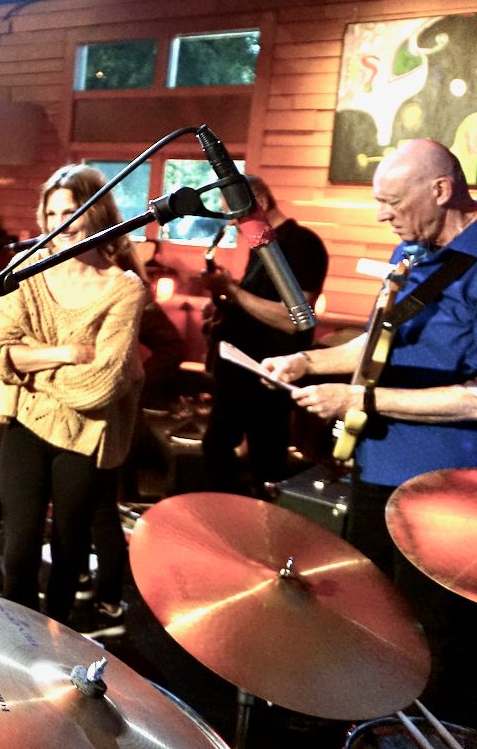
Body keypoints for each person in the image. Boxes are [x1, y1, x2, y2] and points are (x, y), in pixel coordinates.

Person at [262, 138, 477, 721]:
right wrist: (308, 362)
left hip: (447, 490)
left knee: (432, 636)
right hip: (376, 468)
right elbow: (377, 342)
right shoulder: (412, 251)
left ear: (441, 190)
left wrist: (360, 398)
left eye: (392, 202)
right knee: (369, 616)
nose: (382, 215)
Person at [0, 164, 146, 637]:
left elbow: (100, 386)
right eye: (52, 214)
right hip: (24, 426)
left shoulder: (124, 289)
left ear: (98, 214)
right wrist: (64, 354)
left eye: (71, 212)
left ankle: (57, 639)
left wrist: (26, 363)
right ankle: (16, 640)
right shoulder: (24, 272)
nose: (60, 224)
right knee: (20, 546)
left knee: (70, 547)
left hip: (84, 433)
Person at [200, 174, 328, 494]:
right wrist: (224, 300)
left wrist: (232, 290)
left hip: (268, 377)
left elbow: (294, 319)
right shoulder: (264, 246)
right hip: (241, 372)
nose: (231, 223)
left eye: (234, 213)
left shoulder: (301, 244)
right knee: (217, 446)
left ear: (260, 202)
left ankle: (251, 517)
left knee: (263, 460)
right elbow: (257, 305)